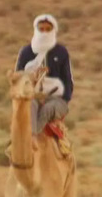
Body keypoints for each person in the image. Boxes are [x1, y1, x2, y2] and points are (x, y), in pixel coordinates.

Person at [14, 14, 74, 155]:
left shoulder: (61, 52)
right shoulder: (26, 52)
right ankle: (23, 143)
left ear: (54, 30)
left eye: (48, 29)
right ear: (36, 29)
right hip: (31, 97)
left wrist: (64, 99)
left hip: (56, 100)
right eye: (41, 29)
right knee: (30, 106)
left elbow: (67, 81)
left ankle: (33, 138)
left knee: (47, 109)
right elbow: (18, 78)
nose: (45, 32)